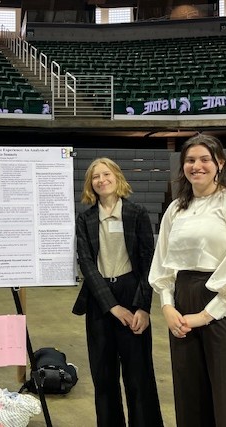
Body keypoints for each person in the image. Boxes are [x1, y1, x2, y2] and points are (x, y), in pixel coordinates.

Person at [149, 134, 226, 427]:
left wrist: (205, 315)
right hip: (183, 306)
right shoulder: (176, 209)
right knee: (190, 404)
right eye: (190, 160)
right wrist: (166, 306)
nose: (196, 166)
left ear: (219, 163)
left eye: (204, 159)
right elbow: (163, 262)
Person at [73, 157, 163, 427]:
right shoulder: (85, 219)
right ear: (91, 184)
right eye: (95, 177)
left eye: (106, 174)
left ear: (117, 177)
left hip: (132, 292)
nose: (101, 180)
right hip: (101, 299)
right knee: (104, 376)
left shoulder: (137, 213)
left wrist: (143, 308)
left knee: (139, 375)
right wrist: (112, 306)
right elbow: (86, 264)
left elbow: (149, 262)